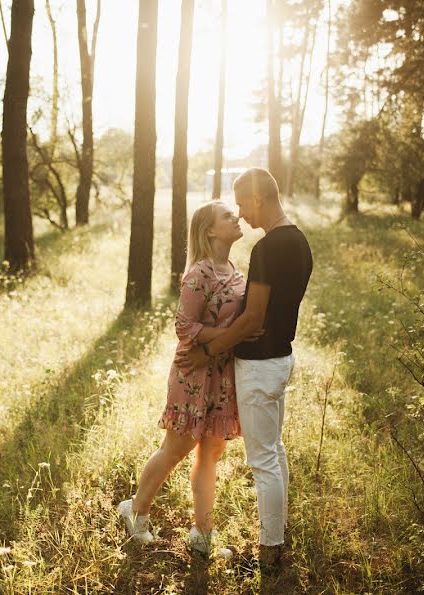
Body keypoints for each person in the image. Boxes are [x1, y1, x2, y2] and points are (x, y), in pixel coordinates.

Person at [176, 167, 313, 573]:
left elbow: (253, 319)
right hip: (282, 358)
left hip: (259, 366)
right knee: (276, 451)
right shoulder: (300, 241)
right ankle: (279, 535)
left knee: (263, 462)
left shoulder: (268, 249)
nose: (241, 213)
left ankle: (271, 551)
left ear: (257, 199)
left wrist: (208, 352)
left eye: (241, 203)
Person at [118, 200, 253, 557]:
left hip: (223, 374)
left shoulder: (234, 269)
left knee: (212, 452)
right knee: (177, 448)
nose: (236, 217)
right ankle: (137, 513)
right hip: (194, 372)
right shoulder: (200, 273)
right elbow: (184, 327)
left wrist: (231, 337)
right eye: (227, 216)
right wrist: (229, 334)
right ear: (210, 230)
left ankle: (202, 536)